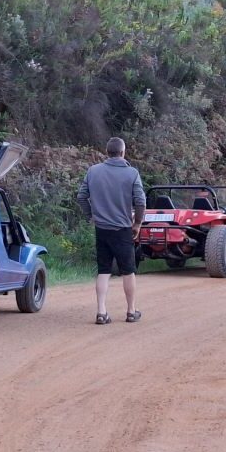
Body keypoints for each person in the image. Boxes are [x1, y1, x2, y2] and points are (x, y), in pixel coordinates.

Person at [76, 137, 146, 325]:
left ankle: (101, 312)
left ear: (107, 152)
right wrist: (137, 223)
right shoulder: (132, 173)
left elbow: (81, 197)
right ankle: (131, 311)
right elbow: (140, 201)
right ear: (123, 152)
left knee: (104, 270)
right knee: (128, 271)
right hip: (123, 229)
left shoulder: (93, 171)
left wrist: (91, 216)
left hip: (101, 229)